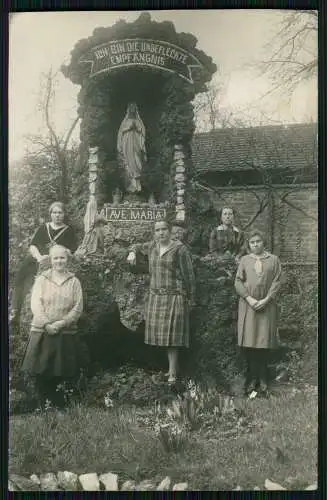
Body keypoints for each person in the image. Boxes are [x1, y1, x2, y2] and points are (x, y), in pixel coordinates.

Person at [127, 219, 196, 384]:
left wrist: (191, 298)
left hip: (174, 297)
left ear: (170, 231)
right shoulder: (152, 246)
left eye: (164, 229)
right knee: (160, 337)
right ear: (154, 232)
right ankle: (168, 368)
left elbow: (189, 275)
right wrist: (132, 252)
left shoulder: (180, 249)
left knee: (172, 338)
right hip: (156, 297)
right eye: (157, 230)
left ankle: (172, 373)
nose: (161, 233)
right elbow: (135, 246)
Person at [21, 244, 88, 407]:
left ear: (67, 259)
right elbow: (35, 303)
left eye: (62, 258)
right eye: (55, 258)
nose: (59, 261)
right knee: (41, 370)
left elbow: (78, 307)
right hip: (42, 331)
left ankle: (61, 405)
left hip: (65, 332)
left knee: (63, 370)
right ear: (50, 260)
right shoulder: (42, 280)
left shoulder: (74, 282)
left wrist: (61, 323)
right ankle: (42, 404)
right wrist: (47, 324)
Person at [10, 202, 78, 324]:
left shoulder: (69, 231)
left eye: (60, 212)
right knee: (21, 277)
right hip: (37, 259)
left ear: (64, 214)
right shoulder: (44, 228)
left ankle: (27, 315)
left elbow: (71, 251)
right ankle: (15, 310)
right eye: (54, 212)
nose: (57, 215)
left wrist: (56, 254)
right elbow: (33, 246)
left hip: (54, 262)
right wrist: (39, 257)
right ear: (50, 214)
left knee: (33, 284)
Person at [234, 230, 282, 397]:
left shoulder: (274, 260)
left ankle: (263, 380)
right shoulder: (245, 260)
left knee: (263, 343)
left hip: (267, 306)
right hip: (249, 306)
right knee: (250, 343)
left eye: (258, 241)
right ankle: (251, 379)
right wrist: (249, 299)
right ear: (249, 245)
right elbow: (238, 281)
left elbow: (277, 281)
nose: (255, 244)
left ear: (264, 242)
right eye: (252, 242)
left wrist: (266, 299)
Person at [117, 102, 147, 193]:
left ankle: (137, 185)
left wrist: (137, 128)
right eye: (131, 108)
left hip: (136, 144)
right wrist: (129, 128)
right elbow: (121, 132)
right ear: (129, 110)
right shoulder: (125, 121)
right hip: (127, 145)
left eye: (134, 108)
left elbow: (143, 132)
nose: (132, 110)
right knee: (128, 163)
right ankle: (131, 185)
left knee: (137, 161)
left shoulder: (138, 121)